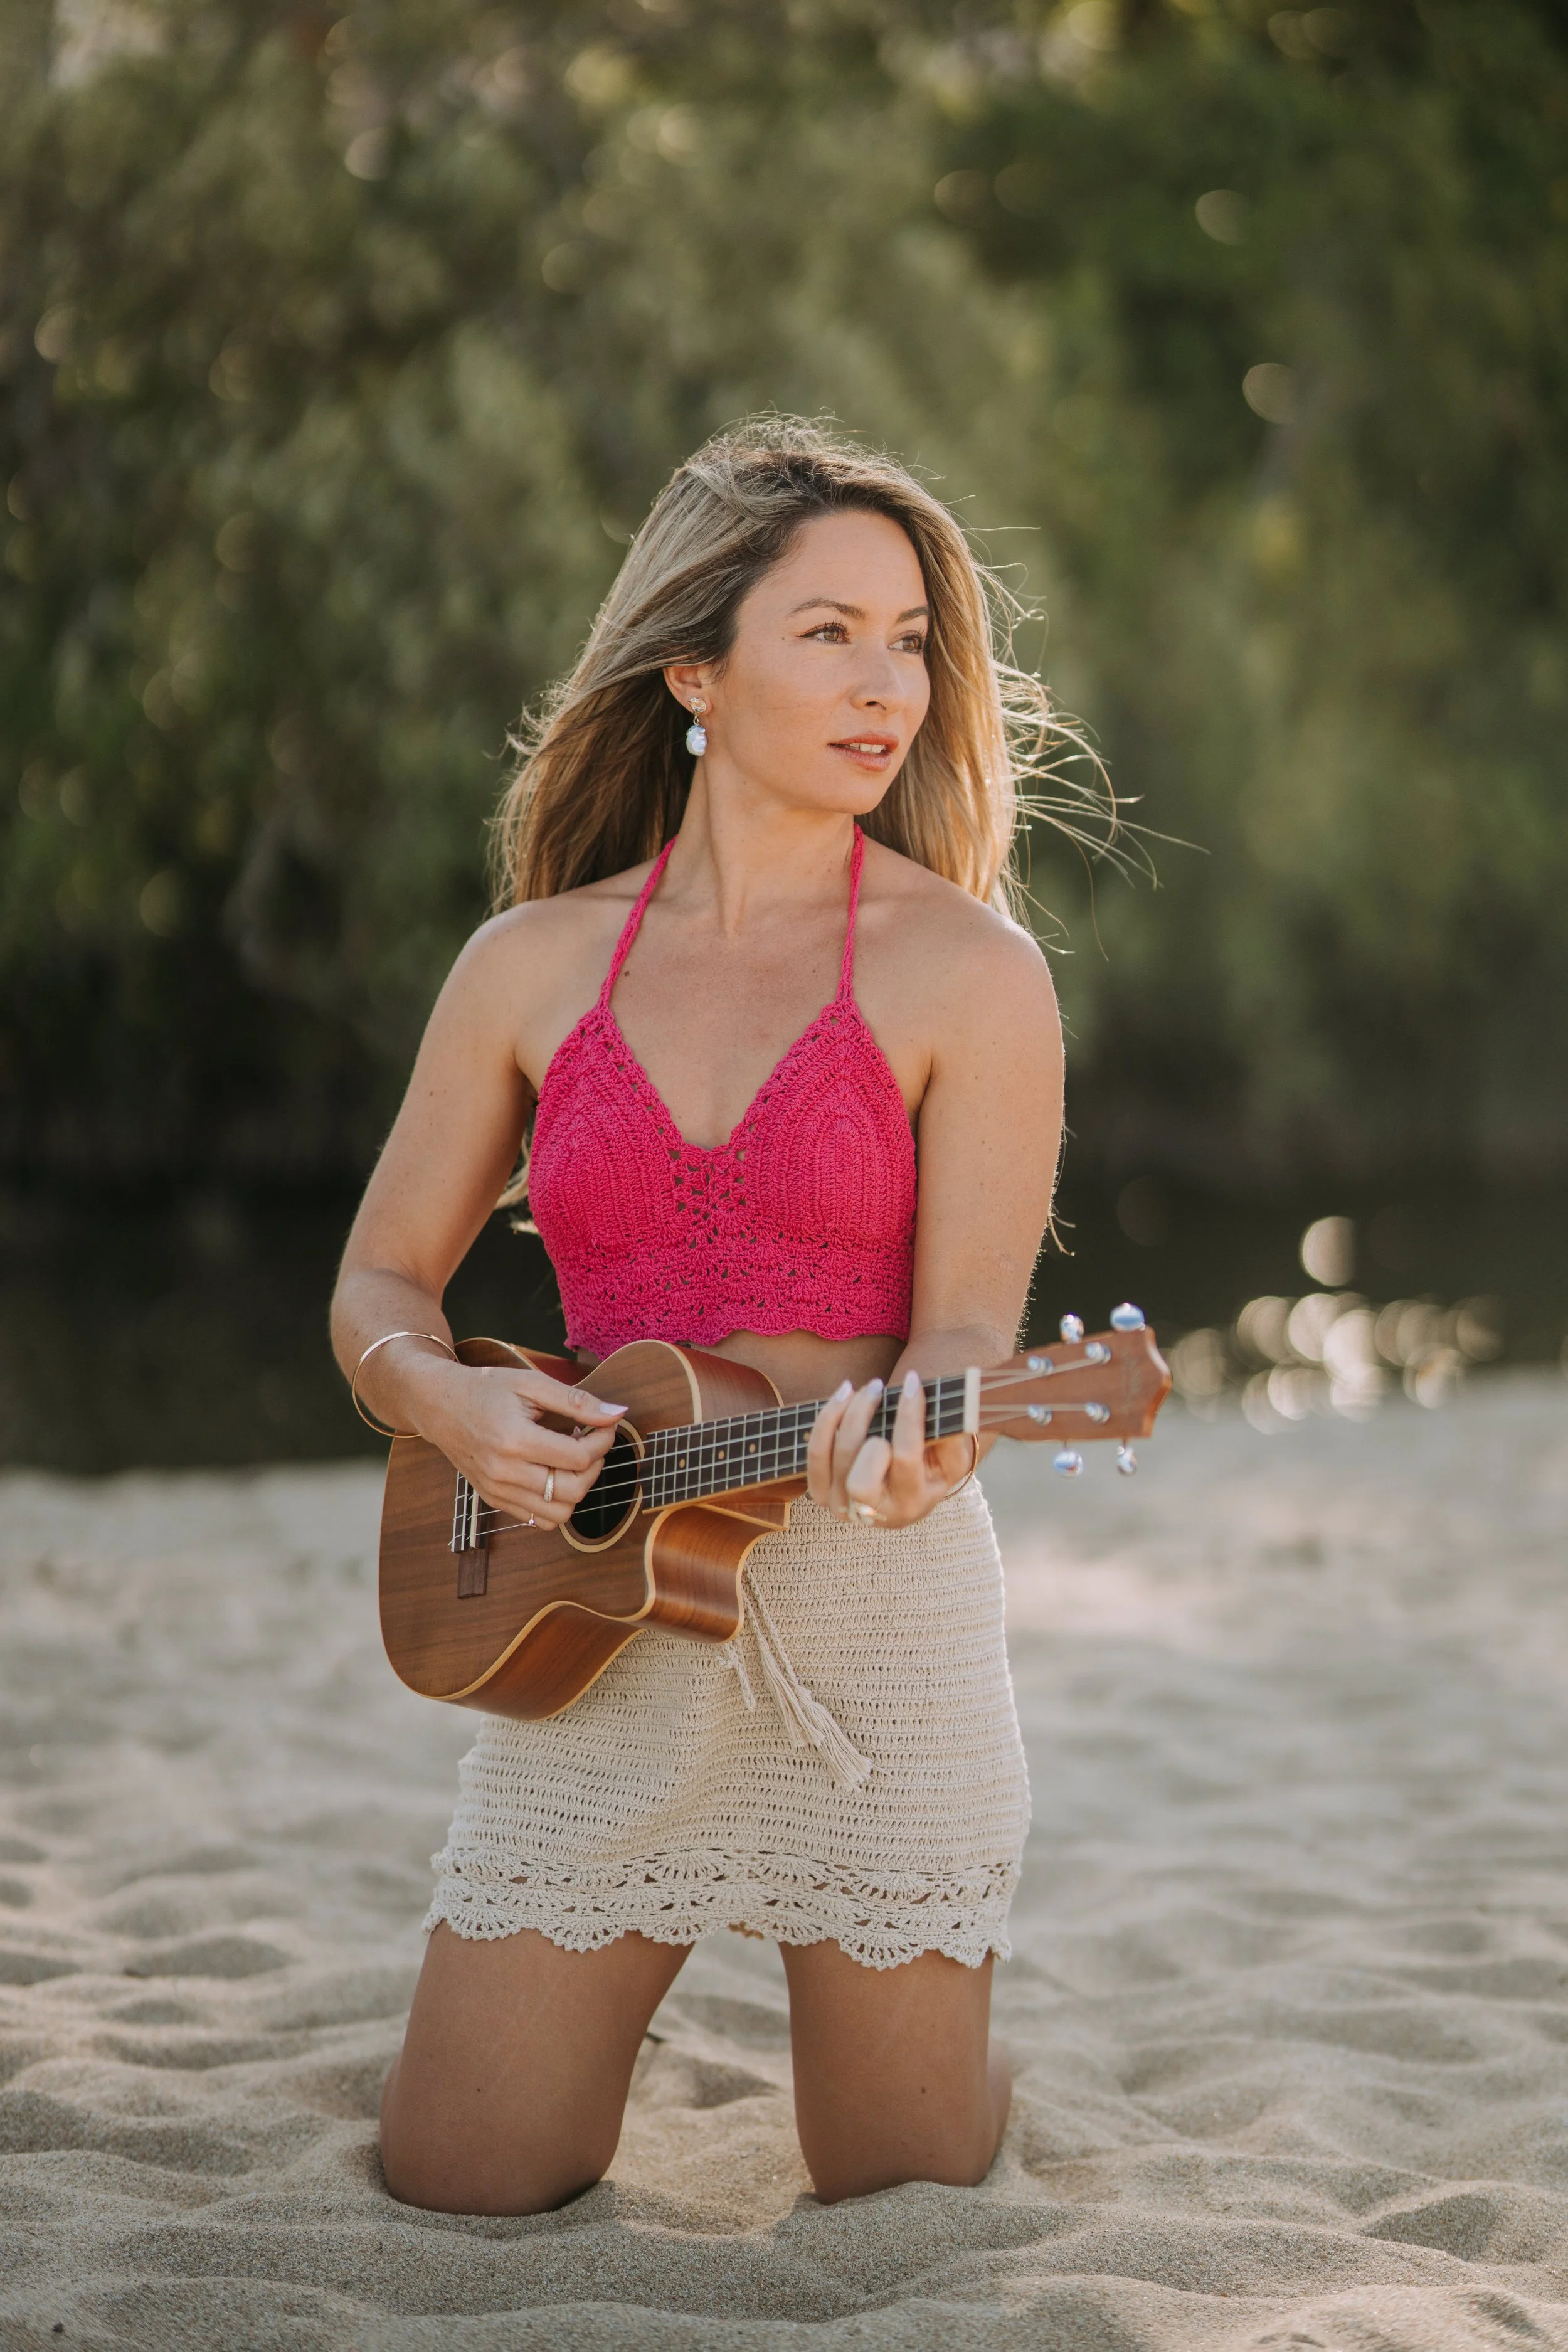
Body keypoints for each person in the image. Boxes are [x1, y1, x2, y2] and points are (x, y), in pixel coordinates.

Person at [331, 418, 1071, 2217]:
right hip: (596, 1628)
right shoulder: (525, 966)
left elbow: (966, 1341)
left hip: (874, 1625)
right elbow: (377, 1285)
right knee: (460, 2177)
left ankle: (973, 2052)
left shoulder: (969, 971)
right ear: (691, 663)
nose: (884, 680)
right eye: (826, 632)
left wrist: (923, 1443)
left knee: (898, 2187)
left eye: (909, 638)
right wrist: (450, 1409)